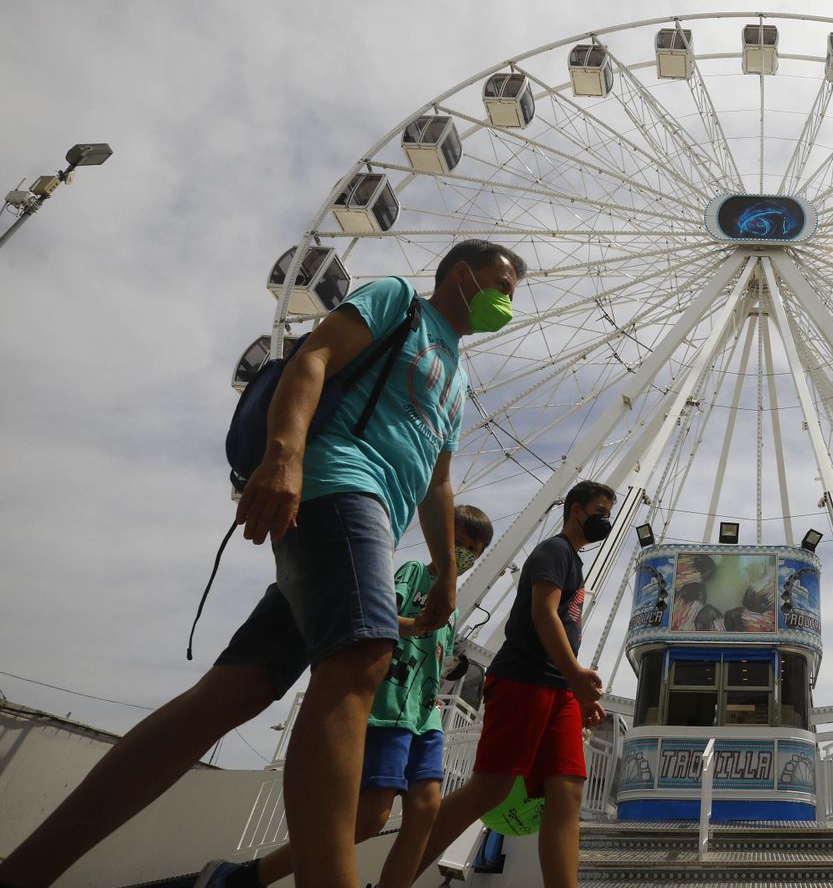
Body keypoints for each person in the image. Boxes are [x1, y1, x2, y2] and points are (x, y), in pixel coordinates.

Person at [0, 240, 526, 888]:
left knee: (232, 694)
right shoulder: (398, 303)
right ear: (461, 273)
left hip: (373, 522)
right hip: (337, 482)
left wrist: (448, 574)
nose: (508, 298)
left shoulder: (461, 376)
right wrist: (283, 454)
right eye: (501, 280)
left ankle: (23, 871)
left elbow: (438, 484)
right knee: (364, 656)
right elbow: (315, 359)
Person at [195, 505, 494, 888]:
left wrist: (434, 692)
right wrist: (416, 625)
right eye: (456, 543)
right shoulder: (415, 574)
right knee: (371, 819)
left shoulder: (451, 611)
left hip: (424, 713)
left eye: (473, 549)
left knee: (425, 809)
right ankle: (244, 878)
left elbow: (435, 658)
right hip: (390, 705)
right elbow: (381, 614)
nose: (463, 554)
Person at [409, 481, 616, 888]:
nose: (605, 520)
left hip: (559, 687)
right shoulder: (554, 551)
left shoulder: (574, 561)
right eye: (600, 510)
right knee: (489, 789)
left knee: (568, 791)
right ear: (576, 510)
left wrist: (574, 685)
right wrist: (575, 675)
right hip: (525, 677)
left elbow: (565, 626)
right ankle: (397, 876)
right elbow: (543, 615)